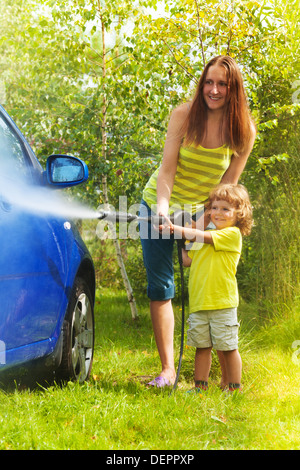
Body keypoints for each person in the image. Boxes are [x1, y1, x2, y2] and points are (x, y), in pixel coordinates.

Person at [140, 55, 256, 387]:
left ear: (233, 89)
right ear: (201, 84)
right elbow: (167, 170)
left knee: (204, 279)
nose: (214, 90)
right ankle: (168, 370)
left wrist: (196, 228)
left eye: (222, 83)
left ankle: (221, 375)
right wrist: (163, 210)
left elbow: (227, 188)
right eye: (209, 82)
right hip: (157, 204)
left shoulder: (243, 130)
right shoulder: (183, 115)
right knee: (161, 285)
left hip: (202, 211)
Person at [163, 183, 253, 392]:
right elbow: (187, 260)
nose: (217, 213)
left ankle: (234, 388)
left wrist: (179, 228)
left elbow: (202, 236)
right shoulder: (203, 237)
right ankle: (199, 387)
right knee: (201, 347)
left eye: (225, 209)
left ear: (239, 214)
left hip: (222, 302)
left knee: (228, 348)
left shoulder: (231, 235)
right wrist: (177, 237)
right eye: (213, 208)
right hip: (199, 302)